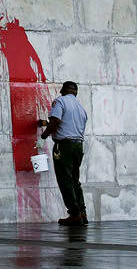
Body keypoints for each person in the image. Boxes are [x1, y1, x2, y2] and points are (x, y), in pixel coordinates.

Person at [40, 80, 88, 225]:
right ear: (75, 92)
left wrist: (43, 136)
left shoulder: (60, 101)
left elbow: (55, 122)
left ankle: (74, 214)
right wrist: (46, 124)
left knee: (65, 179)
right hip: (78, 146)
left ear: (62, 91)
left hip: (64, 146)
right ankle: (82, 212)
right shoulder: (81, 108)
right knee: (75, 180)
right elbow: (67, 123)